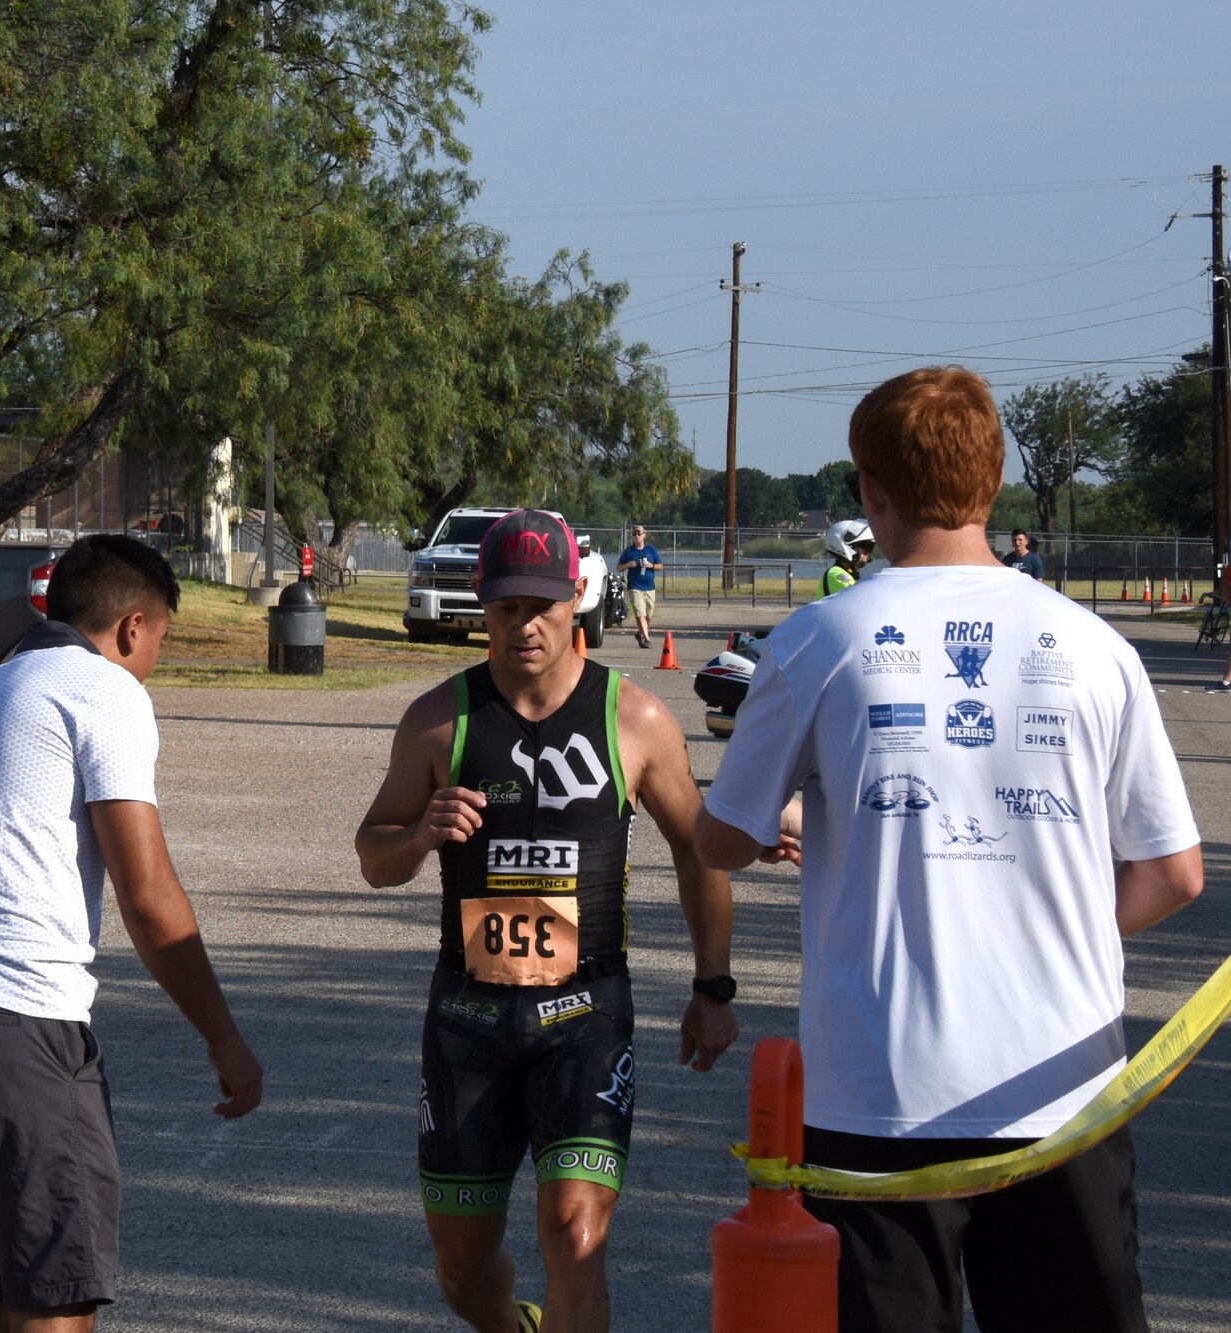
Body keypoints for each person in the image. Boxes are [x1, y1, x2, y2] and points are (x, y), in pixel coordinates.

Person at [694, 366, 1204, 1333]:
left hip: (879, 1097)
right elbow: (1174, 872)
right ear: (994, 478)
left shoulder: (817, 640)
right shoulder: (1096, 646)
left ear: (872, 491)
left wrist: (784, 820)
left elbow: (722, 836)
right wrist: (1049, 930)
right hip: (1065, 1093)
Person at [356, 509, 739, 1333]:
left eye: (542, 605)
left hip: (585, 1016)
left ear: (577, 602)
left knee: (575, 1234)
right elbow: (373, 856)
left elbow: (696, 848)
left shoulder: (635, 719)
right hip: (468, 1019)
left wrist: (715, 985)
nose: (524, 625)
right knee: (460, 1267)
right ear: (480, 606)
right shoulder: (438, 720)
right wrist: (422, 832)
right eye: (504, 606)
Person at [0, 534, 264, 1331]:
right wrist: (223, 1036)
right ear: (133, 626)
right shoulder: (99, 690)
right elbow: (148, 891)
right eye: (162, 639)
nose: (154, 661)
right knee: (55, 1303)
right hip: (19, 1018)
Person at [615, 525, 662, 647]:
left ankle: (640, 633)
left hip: (650, 586)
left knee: (648, 614)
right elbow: (619, 568)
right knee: (640, 613)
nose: (636, 536)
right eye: (634, 534)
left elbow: (660, 566)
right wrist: (627, 565)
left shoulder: (651, 550)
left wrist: (651, 565)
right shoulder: (629, 552)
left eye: (639, 534)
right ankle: (646, 639)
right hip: (635, 586)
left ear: (644, 535)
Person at [816, 517, 875, 598]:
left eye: (870, 548)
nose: (868, 554)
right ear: (847, 546)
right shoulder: (835, 574)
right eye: (866, 547)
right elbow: (860, 599)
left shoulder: (850, 574)